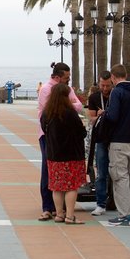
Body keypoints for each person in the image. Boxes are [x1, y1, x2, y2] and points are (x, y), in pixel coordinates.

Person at [37, 62, 83, 221]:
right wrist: (68, 105)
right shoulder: (45, 89)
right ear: (57, 77)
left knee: (61, 172)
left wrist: (65, 104)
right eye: (66, 77)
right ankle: (48, 207)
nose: (68, 80)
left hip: (64, 136)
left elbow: (79, 105)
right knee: (48, 170)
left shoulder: (67, 89)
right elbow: (47, 110)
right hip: (47, 135)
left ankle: (61, 209)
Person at [103, 64, 130, 226]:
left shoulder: (117, 92)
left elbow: (113, 117)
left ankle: (125, 215)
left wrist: (105, 115)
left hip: (118, 141)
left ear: (113, 77)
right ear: (126, 75)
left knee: (120, 177)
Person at [86, 71, 113, 216]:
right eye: (102, 85)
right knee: (101, 172)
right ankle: (100, 203)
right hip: (101, 138)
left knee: (117, 173)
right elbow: (90, 119)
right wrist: (100, 115)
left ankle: (116, 201)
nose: (105, 88)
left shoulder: (116, 96)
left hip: (115, 138)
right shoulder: (94, 97)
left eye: (108, 85)